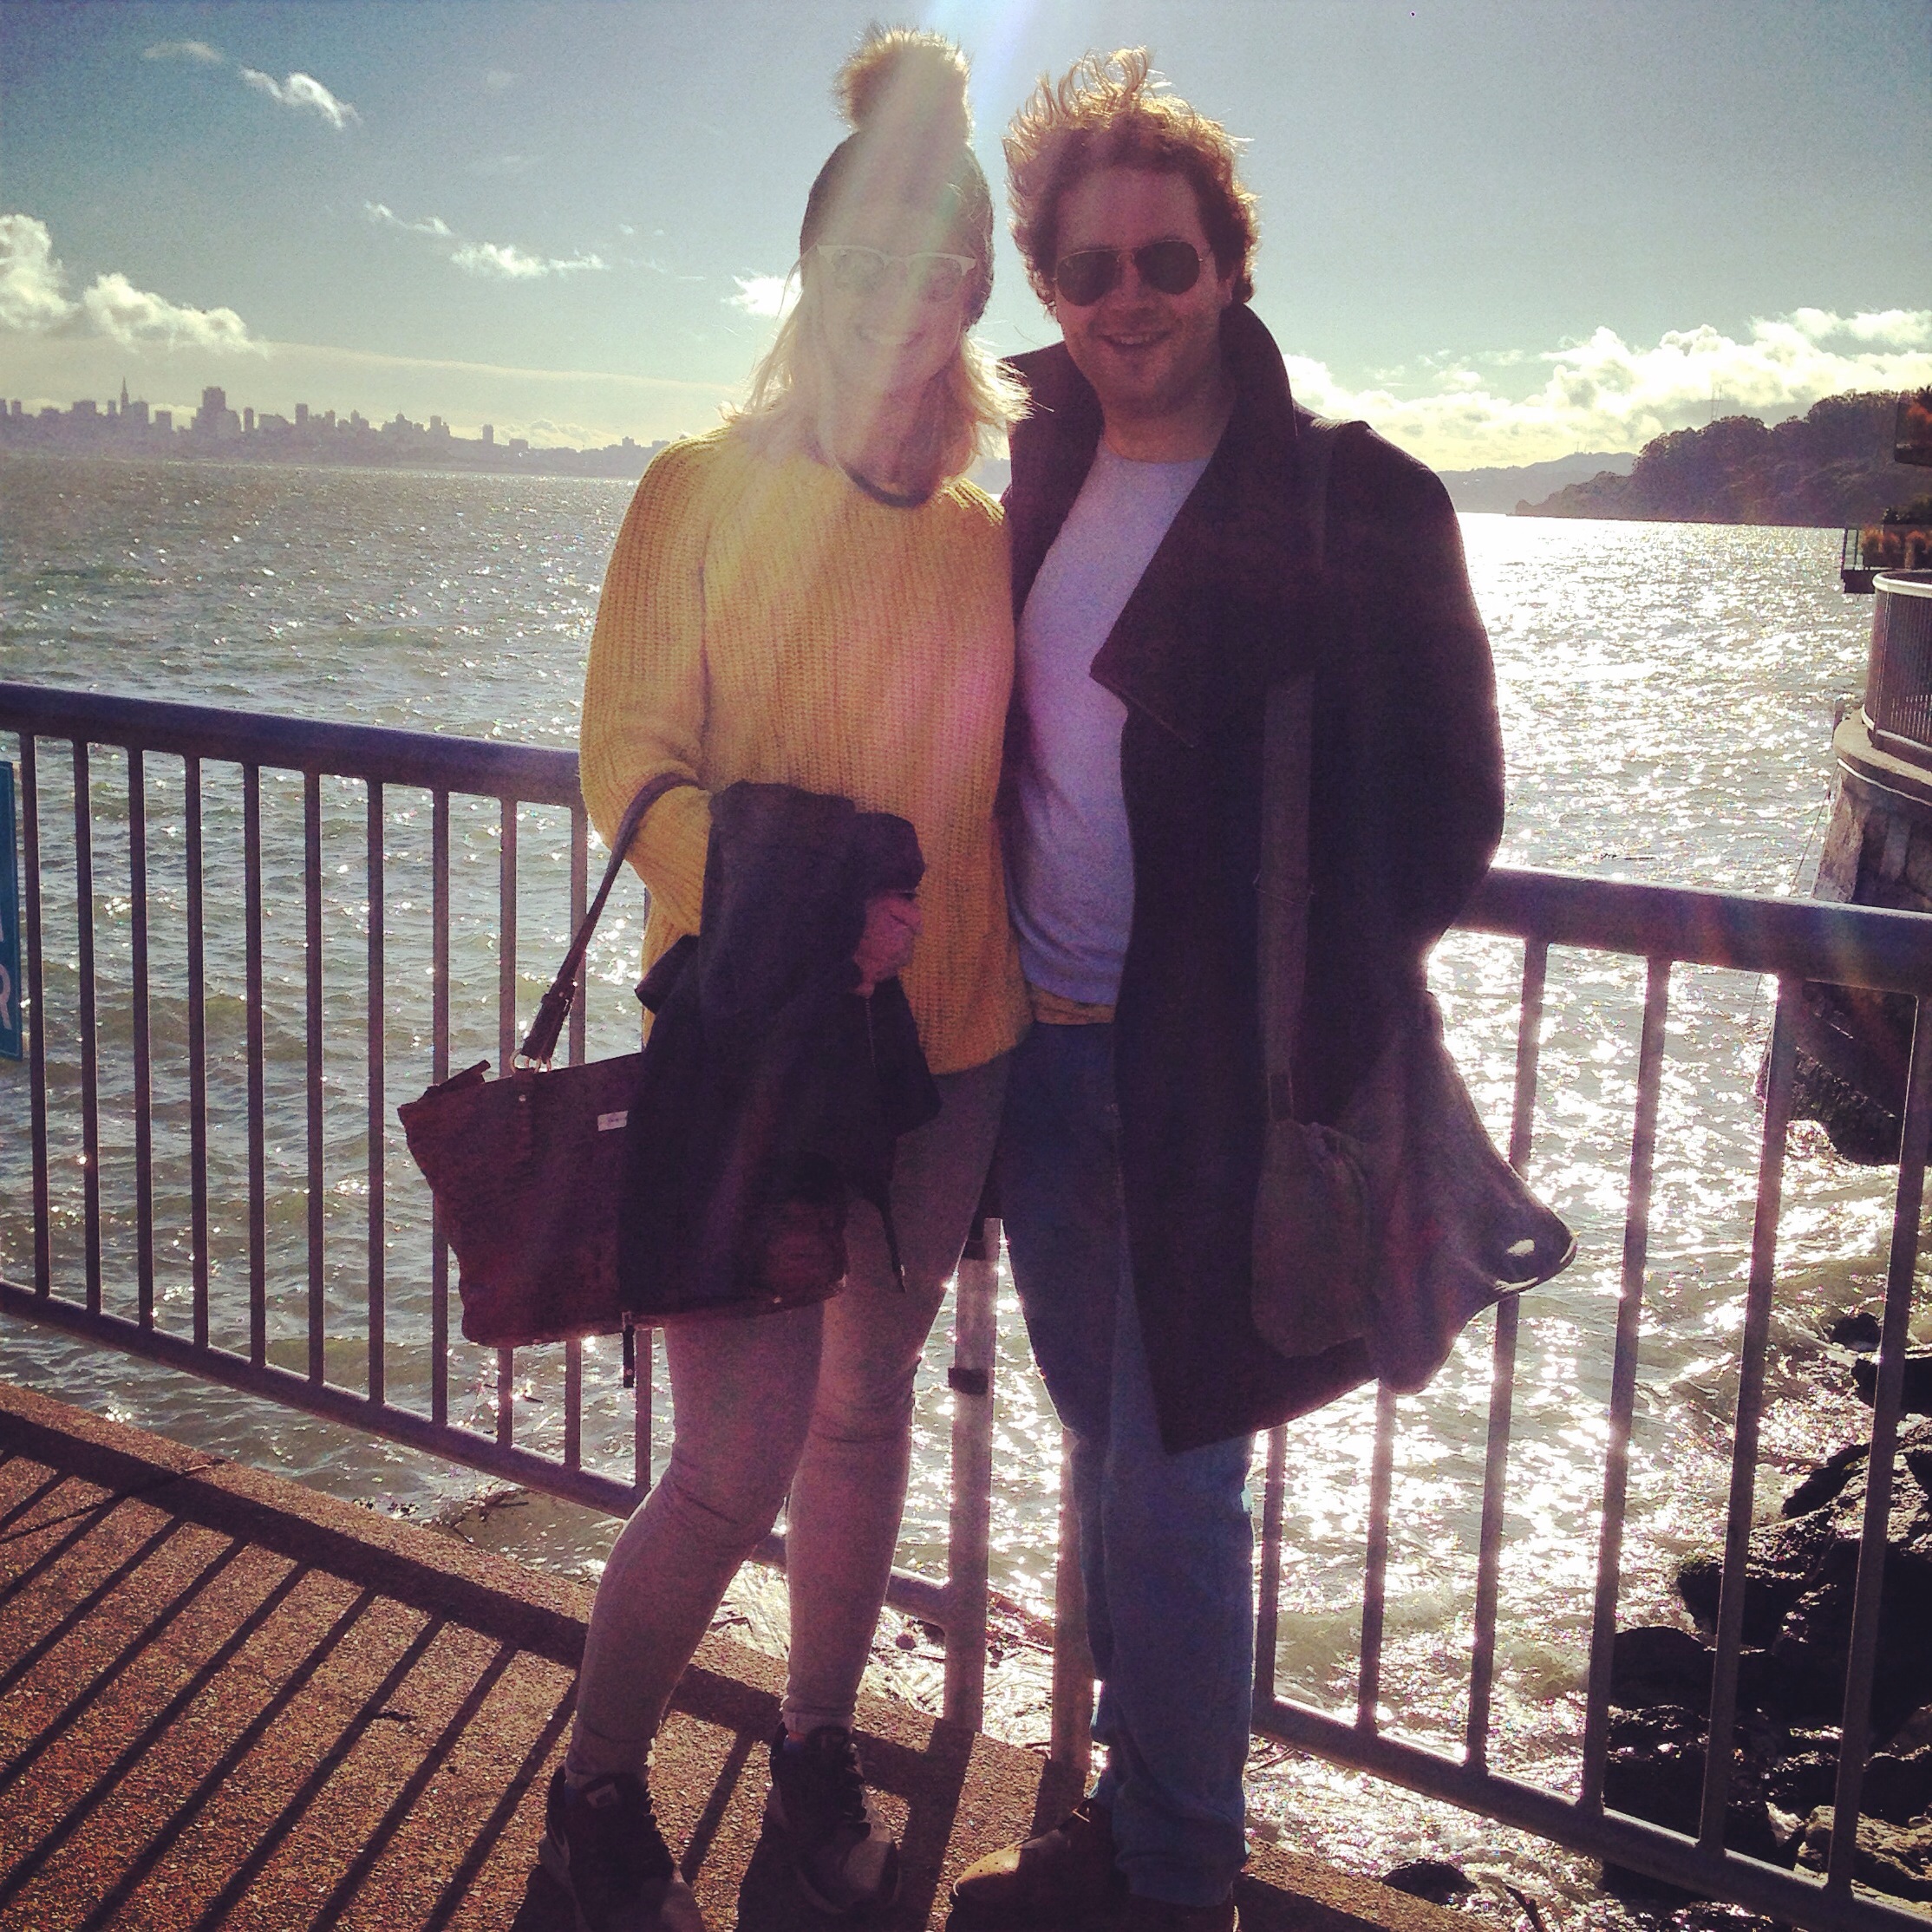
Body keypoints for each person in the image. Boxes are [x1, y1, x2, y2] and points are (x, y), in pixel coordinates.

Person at [949, 50, 1506, 1932]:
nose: (1130, 302)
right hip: (1041, 1056)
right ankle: (1131, 1825)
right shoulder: (1023, 466)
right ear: (1049, 285)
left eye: (1166, 262)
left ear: (1230, 267)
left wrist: (1297, 1010)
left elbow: (1448, 810)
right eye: (1089, 269)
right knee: (1112, 1455)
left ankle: (1179, 1878)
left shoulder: (1356, 501)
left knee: (1174, 1485)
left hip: (1215, 1085)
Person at [551, 30, 1028, 1932]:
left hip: (947, 1054)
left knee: (861, 1417)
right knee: (732, 1455)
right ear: (809, 271)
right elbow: (626, 758)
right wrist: (784, 901)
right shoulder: (696, 487)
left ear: (974, 294)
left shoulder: (993, 537)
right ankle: (596, 1787)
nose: (898, 302)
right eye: (864, 262)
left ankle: (814, 1751)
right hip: (745, 1045)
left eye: (938, 268)